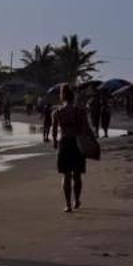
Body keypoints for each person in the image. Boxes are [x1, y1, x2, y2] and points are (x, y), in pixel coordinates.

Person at [52, 84, 91, 212]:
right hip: (77, 143)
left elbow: (54, 131)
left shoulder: (57, 112)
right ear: (73, 97)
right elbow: (85, 128)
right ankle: (77, 200)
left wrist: (54, 143)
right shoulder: (80, 111)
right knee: (77, 175)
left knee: (66, 175)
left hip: (64, 143)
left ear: (62, 97)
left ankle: (68, 204)